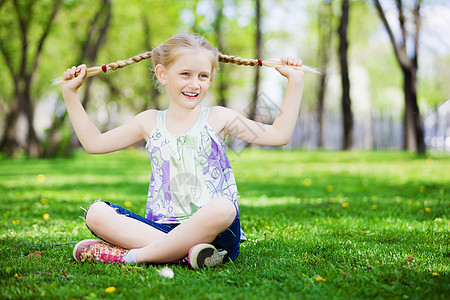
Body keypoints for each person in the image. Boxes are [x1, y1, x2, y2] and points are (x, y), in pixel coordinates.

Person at [61, 33, 305, 269]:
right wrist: (70, 94)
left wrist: (295, 82)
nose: (194, 84)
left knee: (223, 207)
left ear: (211, 79)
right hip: (163, 228)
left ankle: (131, 256)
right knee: (96, 212)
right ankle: (185, 254)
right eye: (185, 74)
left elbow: (278, 135)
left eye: (202, 76)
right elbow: (94, 143)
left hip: (216, 234)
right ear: (163, 74)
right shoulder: (148, 122)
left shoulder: (219, 117)